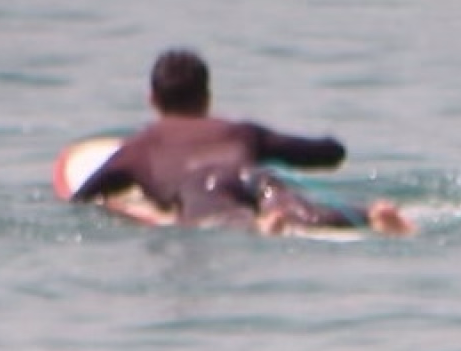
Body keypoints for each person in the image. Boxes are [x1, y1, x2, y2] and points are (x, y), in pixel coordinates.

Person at [71, 48, 413, 237]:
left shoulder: (139, 149)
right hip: (256, 176)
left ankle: (261, 227)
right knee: (300, 208)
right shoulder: (241, 132)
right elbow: (329, 154)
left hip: (201, 188)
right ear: (207, 96)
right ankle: (371, 215)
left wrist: (119, 207)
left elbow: (82, 197)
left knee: (220, 217)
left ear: (152, 99)